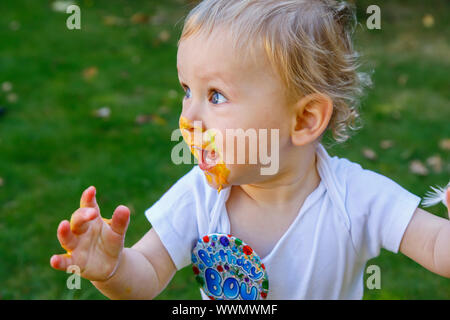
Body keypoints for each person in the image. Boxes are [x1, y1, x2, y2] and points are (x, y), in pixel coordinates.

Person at [50, 0, 450, 299]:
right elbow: (147, 275)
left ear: (304, 120)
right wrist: (111, 269)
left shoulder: (356, 199)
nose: (189, 115)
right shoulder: (200, 196)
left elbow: (436, 246)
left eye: (217, 96)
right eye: (187, 91)